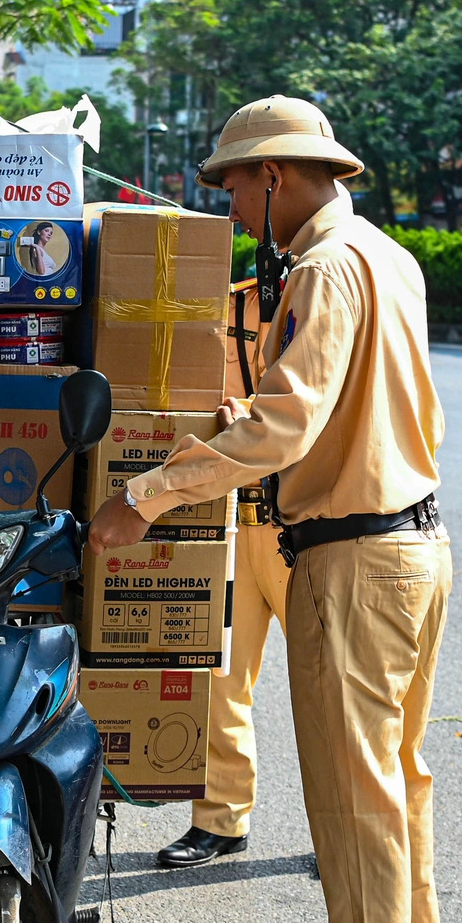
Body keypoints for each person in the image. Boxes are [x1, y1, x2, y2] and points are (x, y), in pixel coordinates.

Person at [89, 96, 450, 923]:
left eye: (234, 185)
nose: (234, 202)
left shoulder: (322, 268)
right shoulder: (386, 255)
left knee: (352, 802)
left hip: (352, 558)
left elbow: (287, 423)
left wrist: (145, 496)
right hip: (412, 542)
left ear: (275, 177)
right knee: (398, 782)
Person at [154, 280, 295, 869]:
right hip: (235, 517)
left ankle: (345, 834)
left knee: (335, 693)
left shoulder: (334, 297)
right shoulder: (224, 304)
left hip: (306, 527)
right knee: (219, 675)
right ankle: (220, 818)